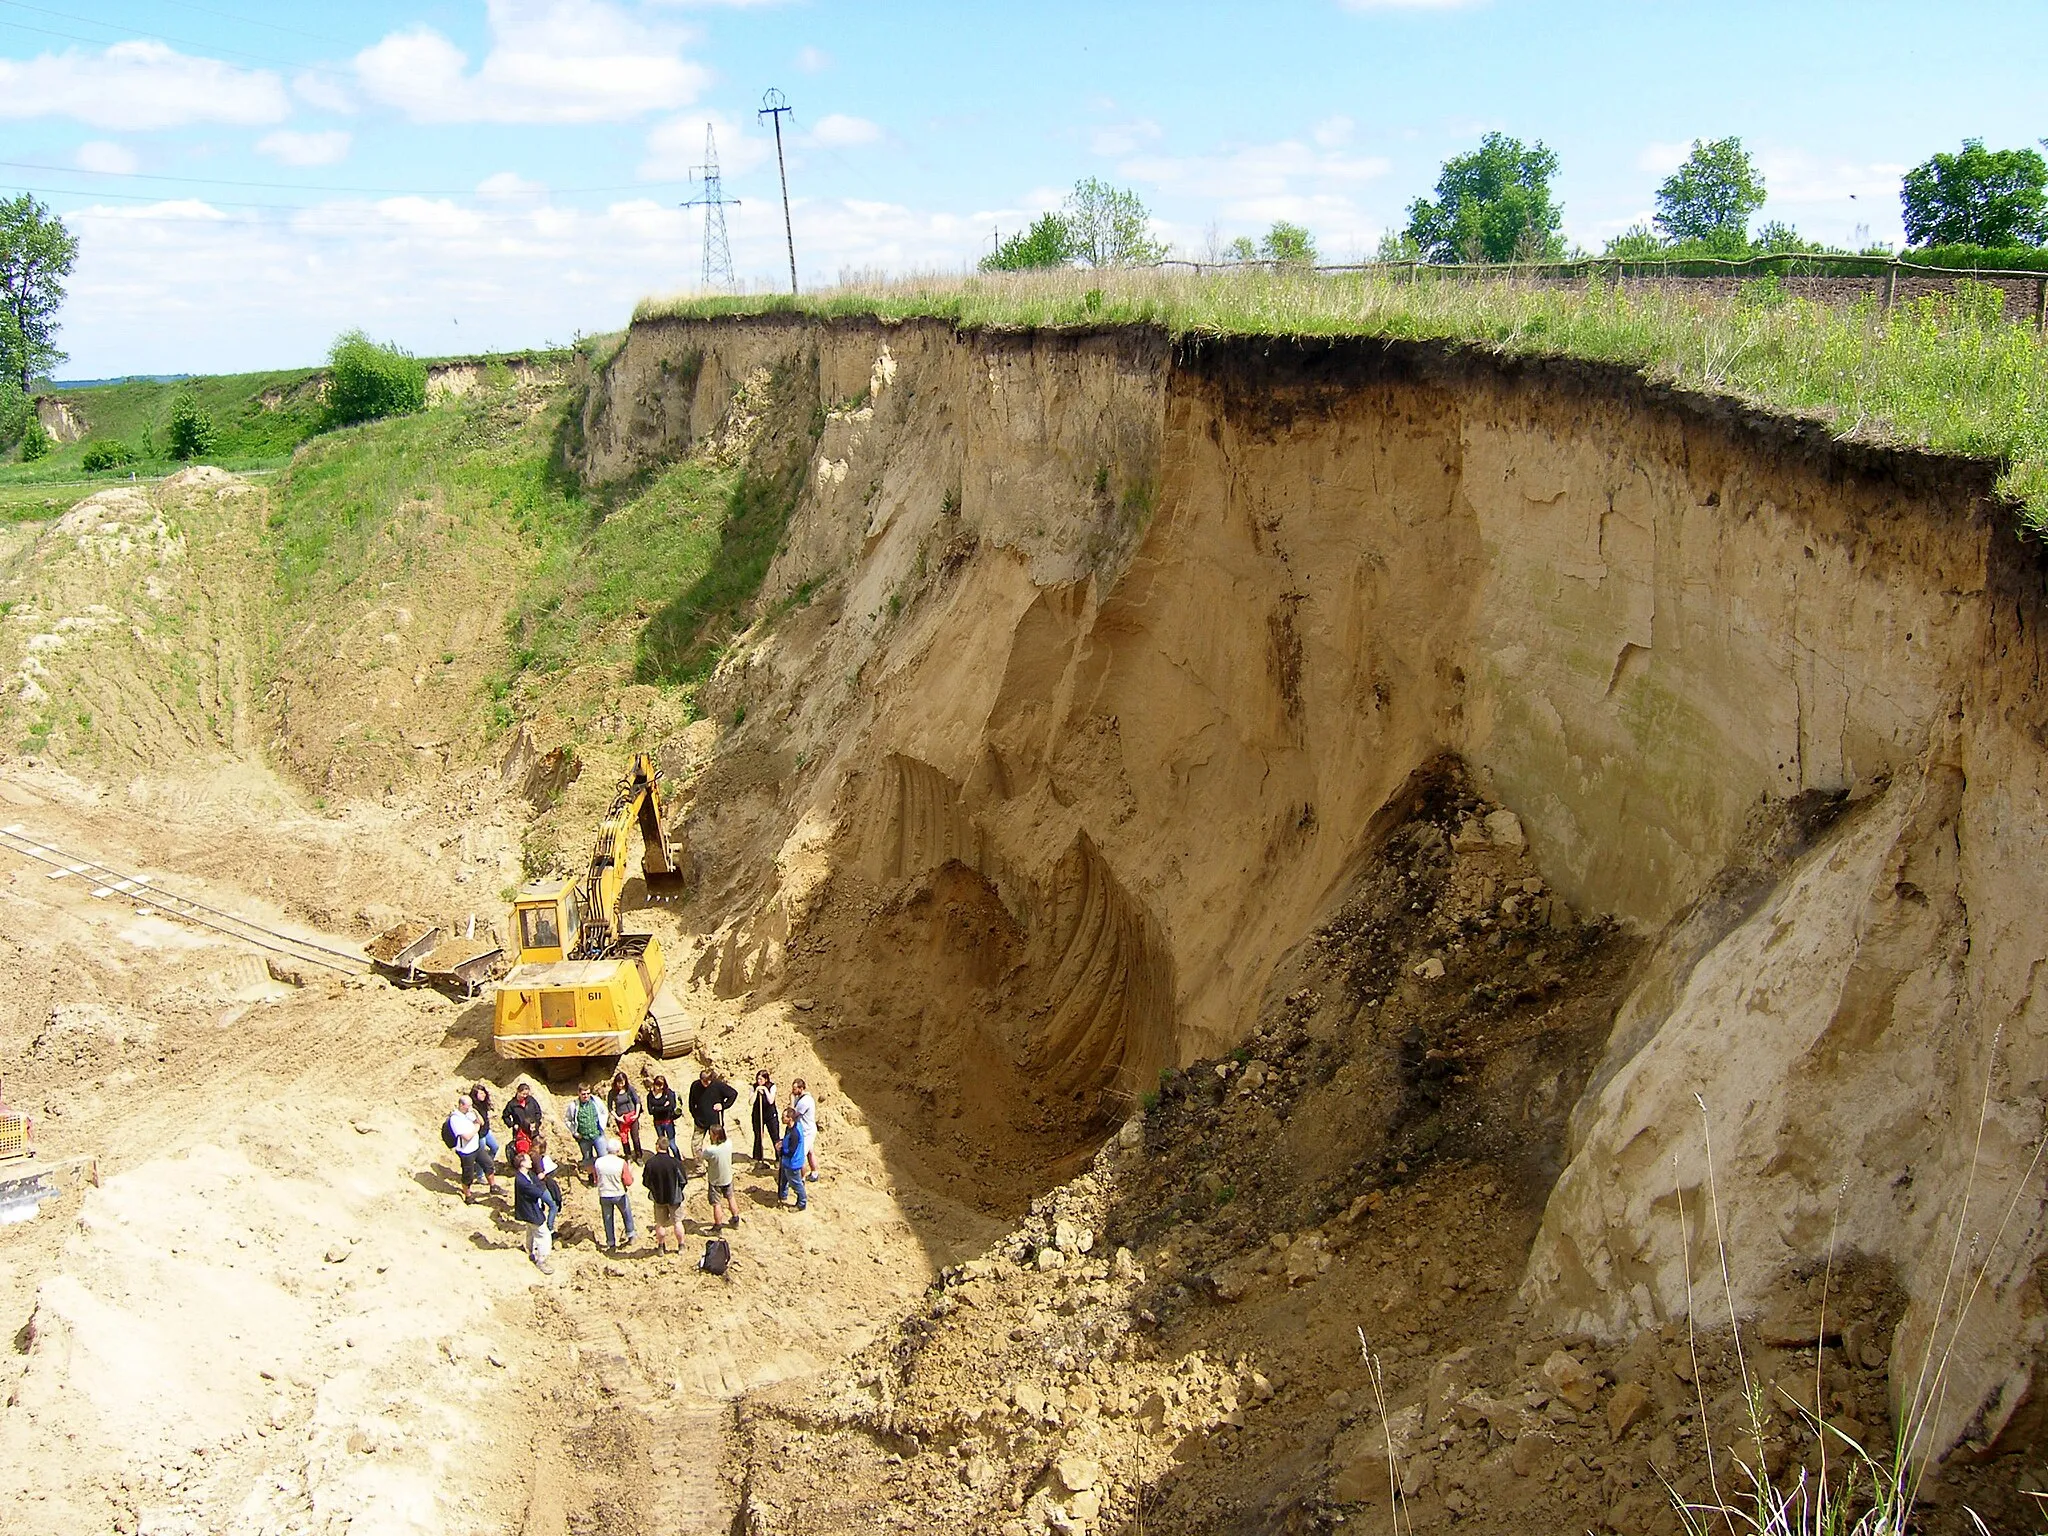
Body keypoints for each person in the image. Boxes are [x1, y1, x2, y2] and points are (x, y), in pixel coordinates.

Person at [447, 1095, 497, 1203]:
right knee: (468, 1175)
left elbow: (481, 1122)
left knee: (488, 1164)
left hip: (476, 1147)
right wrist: (476, 1128)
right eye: (468, 1106)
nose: (470, 1108)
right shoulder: (455, 1119)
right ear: (461, 1105)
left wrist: (475, 1112)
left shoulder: (470, 1113)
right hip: (466, 1151)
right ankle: (468, 1196)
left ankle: (493, 1186)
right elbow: (466, 1136)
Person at [641, 1137, 687, 1253]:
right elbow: (683, 1180)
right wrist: (678, 1190)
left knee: (660, 1224)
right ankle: (681, 1246)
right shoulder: (675, 1162)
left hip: (658, 1198)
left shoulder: (650, 1163)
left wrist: (654, 1190)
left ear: (657, 1146)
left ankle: (661, 1247)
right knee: (677, 1222)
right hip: (674, 1197)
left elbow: (646, 1182)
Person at [592, 1136, 637, 1251]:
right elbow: (628, 1181)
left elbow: (596, 1180)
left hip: (604, 1194)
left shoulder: (598, 1162)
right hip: (619, 1193)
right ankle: (630, 1234)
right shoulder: (621, 1163)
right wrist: (630, 1172)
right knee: (626, 1213)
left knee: (607, 1219)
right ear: (617, 1151)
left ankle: (611, 1242)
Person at [512, 1153, 552, 1274]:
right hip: (531, 1211)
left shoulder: (527, 1175)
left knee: (530, 1231)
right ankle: (542, 1260)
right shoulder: (522, 1181)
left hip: (529, 1210)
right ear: (522, 1163)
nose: (531, 1162)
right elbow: (537, 1191)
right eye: (528, 1160)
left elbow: (536, 1184)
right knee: (544, 1235)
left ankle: (530, 1251)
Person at [688, 1066, 738, 1159]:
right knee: (695, 1145)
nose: (706, 1084)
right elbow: (691, 1103)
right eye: (703, 1081)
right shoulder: (695, 1085)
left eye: (708, 1081)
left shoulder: (718, 1085)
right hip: (700, 1121)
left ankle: (719, 1163)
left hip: (715, 1122)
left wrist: (723, 1105)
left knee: (718, 1145)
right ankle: (700, 1167)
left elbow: (733, 1094)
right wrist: (695, 1116)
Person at [702, 1122, 740, 1230]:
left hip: (715, 1180)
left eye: (711, 1133)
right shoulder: (729, 1143)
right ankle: (736, 1219)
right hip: (727, 1177)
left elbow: (703, 1156)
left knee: (716, 1203)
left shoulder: (711, 1150)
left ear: (716, 1135)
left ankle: (718, 1226)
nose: (709, 1135)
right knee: (731, 1197)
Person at [567, 1086, 605, 1180]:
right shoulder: (574, 1106)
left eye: (588, 1093)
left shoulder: (595, 1101)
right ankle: (592, 1178)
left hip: (597, 1135)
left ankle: (604, 1177)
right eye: (583, 1094)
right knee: (588, 1159)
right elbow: (568, 1120)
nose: (586, 1096)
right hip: (584, 1138)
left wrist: (602, 1126)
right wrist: (575, 1132)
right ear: (579, 1093)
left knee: (603, 1156)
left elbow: (604, 1112)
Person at [608, 1071, 643, 1161]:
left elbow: (637, 1101)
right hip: (621, 1118)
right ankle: (628, 1155)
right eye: (619, 1083)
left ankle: (639, 1155)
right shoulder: (612, 1093)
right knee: (624, 1138)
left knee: (635, 1137)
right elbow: (610, 1107)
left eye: (622, 1082)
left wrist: (636, 1114)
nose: (620, 1085)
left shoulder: (629, 1089)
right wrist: (617, 1117)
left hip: (632, 1116)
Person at [750, 1070, 781, 1170]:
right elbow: (750, 1102)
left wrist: (764, 1089)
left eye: (761, 1079)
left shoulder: (772, 1086)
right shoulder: (753, 1087)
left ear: (766, 1079)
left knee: (775, 1136)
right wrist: (756, 1091)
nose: (759, 1081)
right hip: (757, 1114)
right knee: (758, 1135)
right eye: (757, 1079)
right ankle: (757, 1157)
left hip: (770, 1114)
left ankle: (779, 1158)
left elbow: (771, 1100)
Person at [790, 1078, 819, 1181]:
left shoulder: (805, 1101)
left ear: (801, 1088)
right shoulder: (801, 1098)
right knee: (810, 1151)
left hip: (807, 1131)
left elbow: (792, 1115)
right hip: (805, 1130)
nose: (793, 1091)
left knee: (801, 1155)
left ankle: (801, 1178)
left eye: (795, 1089)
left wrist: (791, 1101)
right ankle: (814, 1172)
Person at [646, 1075, 680, 1158]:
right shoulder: (650, 1096)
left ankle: (678, 1161)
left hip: (668, 1122)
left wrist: (657, 1108)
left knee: (672, 1145)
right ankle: (667, 1160)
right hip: (658, 1123)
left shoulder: (668, 1093)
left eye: (660, 1085)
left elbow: (671, 1107)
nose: (658, 1088)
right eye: (657, 1085)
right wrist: (664, 1107)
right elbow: (650, 1111)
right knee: (663, 1144)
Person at [468, 1082, 500, 1159]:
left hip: (486, 1131)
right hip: (478, 1135)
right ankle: (481, 1170)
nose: (483, 1095)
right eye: (481, 1093)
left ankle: (488, 1164)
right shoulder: (472, 1107)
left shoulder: (484, 1104)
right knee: (481, 1156)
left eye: (484, 1093)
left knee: (495, 1147)